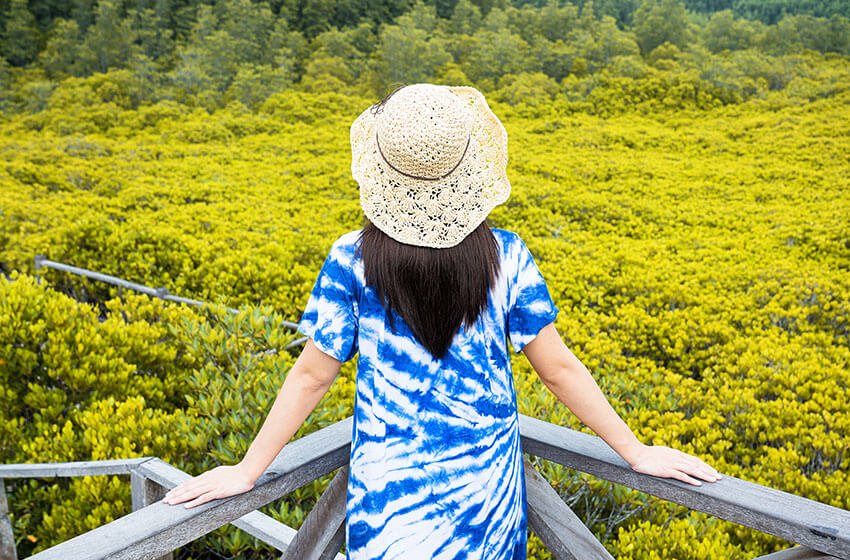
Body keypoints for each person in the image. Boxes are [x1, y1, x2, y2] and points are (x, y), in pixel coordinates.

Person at [164, 83, 721, 559]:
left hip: (389, 500)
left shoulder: (350, 259)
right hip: (488, 496)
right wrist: (635, 451)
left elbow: (312, 375)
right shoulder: (507, 256)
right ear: (469, 169)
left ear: (381, 171)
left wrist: (248, 470)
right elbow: (558, 370)